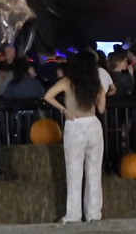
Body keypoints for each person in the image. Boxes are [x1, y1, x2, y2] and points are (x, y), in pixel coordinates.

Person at [43, 51, 106, 223]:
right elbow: (101, 109)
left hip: (75, 124)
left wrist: (64, 110)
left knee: (74, 172)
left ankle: (73, 215)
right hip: (93, 125)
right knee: (94, 172)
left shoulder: (67, 82)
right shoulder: (96, 84)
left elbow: (48, 96)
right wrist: (102, 93)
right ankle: (94, 213)